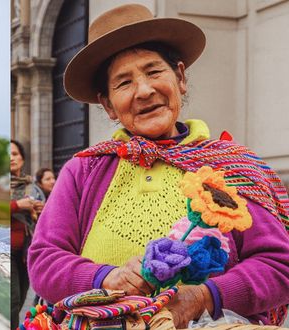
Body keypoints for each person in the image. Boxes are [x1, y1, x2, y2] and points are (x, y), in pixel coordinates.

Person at [28, 4, 289, 328]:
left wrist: (203, 297)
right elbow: (44, 260)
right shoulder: (84, 171)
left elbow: (279, 264)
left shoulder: (230, 166)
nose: (144, 90)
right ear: (108, 105)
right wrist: (109, 277)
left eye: (153, 72)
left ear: (180, 77)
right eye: (124, 83)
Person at [10, 140, 43, 330]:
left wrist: (41, 209)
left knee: (21, 297)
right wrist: (17, 205)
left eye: (14, 154)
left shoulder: (33, 187)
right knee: (12, 300)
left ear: (22, 158)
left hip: (26, 250)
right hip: (5, 248)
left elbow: (45, 217)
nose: (10, 158)